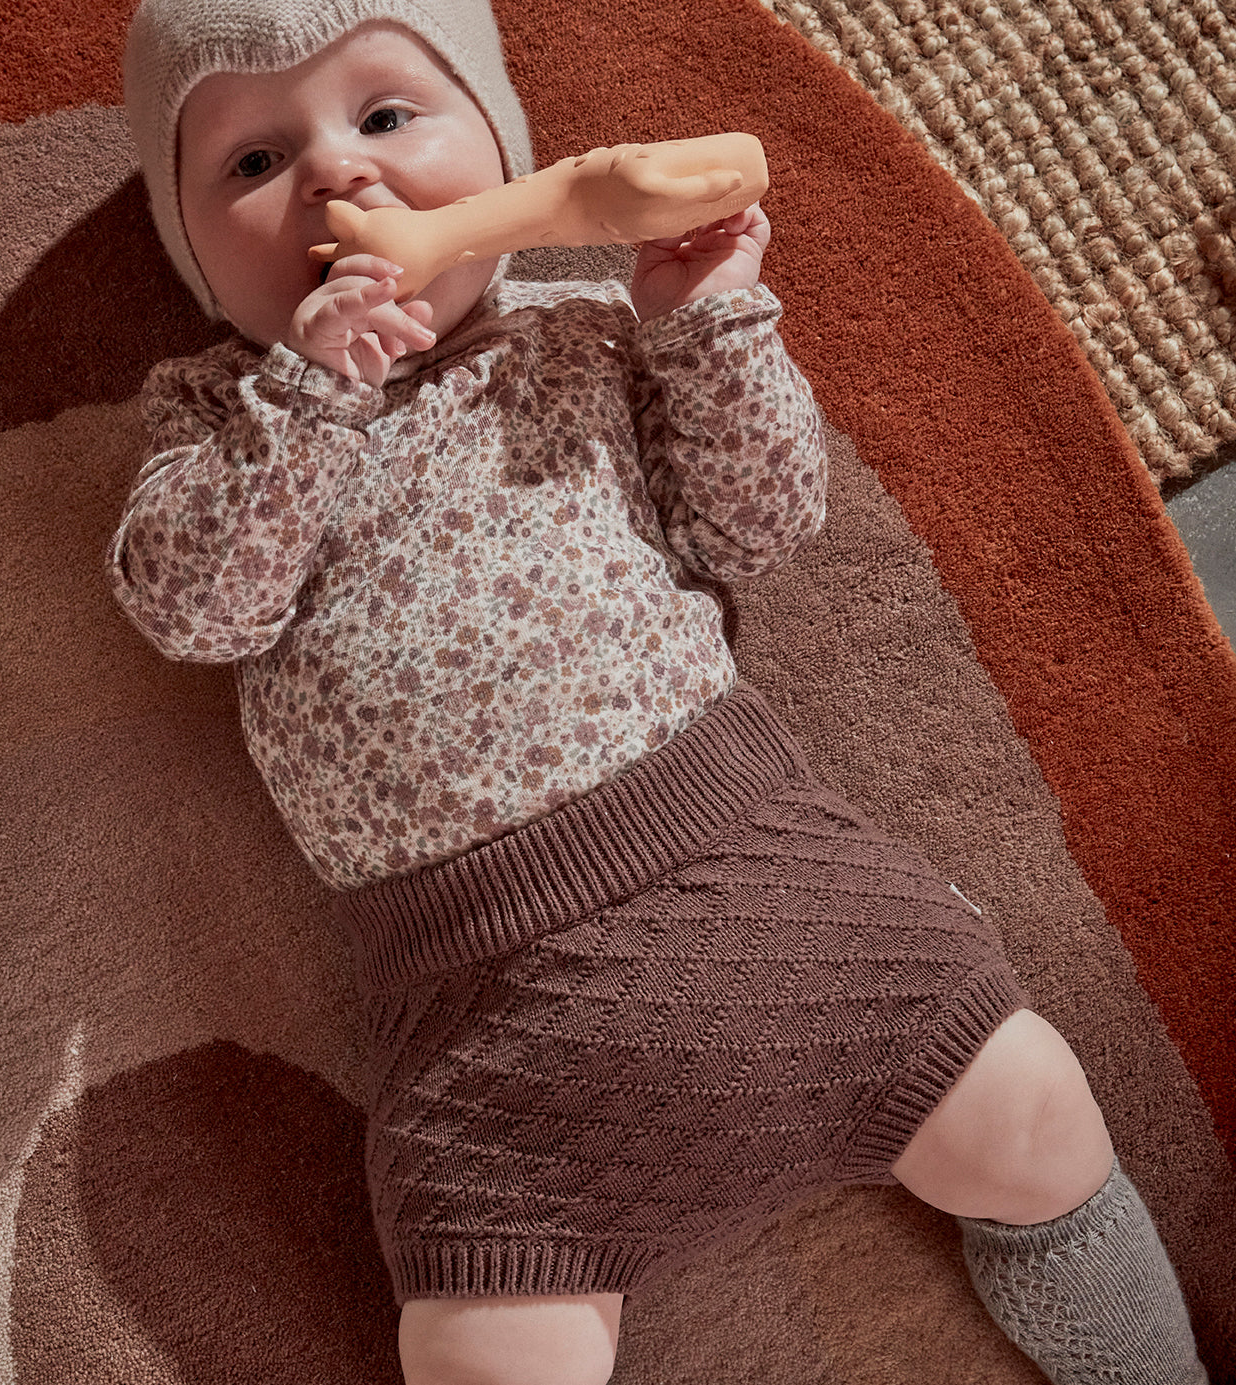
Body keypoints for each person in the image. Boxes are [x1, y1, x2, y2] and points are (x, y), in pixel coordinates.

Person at [113, 0, 1209, 1380]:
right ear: (195, 258)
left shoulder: (582, 330)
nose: (337, 172)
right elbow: (197, 607)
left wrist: (709, 324)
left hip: (762, 879)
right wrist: (310, 395)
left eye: (387, 116)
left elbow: (755, 522)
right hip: (484, 1029)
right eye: (254, 163)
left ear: (505, 151)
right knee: (477, 1356)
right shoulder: (222, 414)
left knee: (1037, 1118)